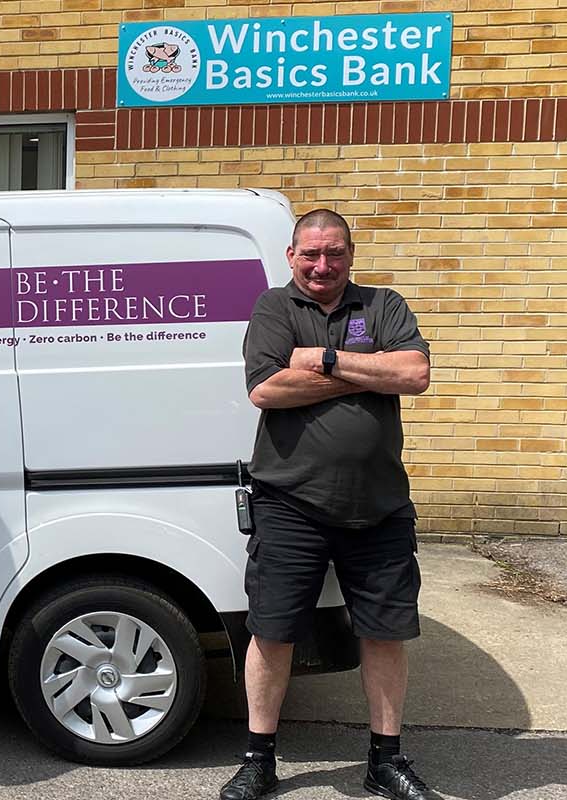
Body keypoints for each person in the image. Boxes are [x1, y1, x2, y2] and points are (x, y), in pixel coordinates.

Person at [223, 209, 434, 800]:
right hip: (290, 503)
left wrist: (326, 359)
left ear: (350, 254)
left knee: (384, 632)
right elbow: (266, 388)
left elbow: (415, 374)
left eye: (335, 253)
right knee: (272, 631)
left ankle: (385, 761)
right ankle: (259, 760)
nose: (323, 265)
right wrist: (373, 374)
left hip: (381, 506)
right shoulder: (273, 309)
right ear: (292, 255)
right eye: (311, 254)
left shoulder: (383, 305)